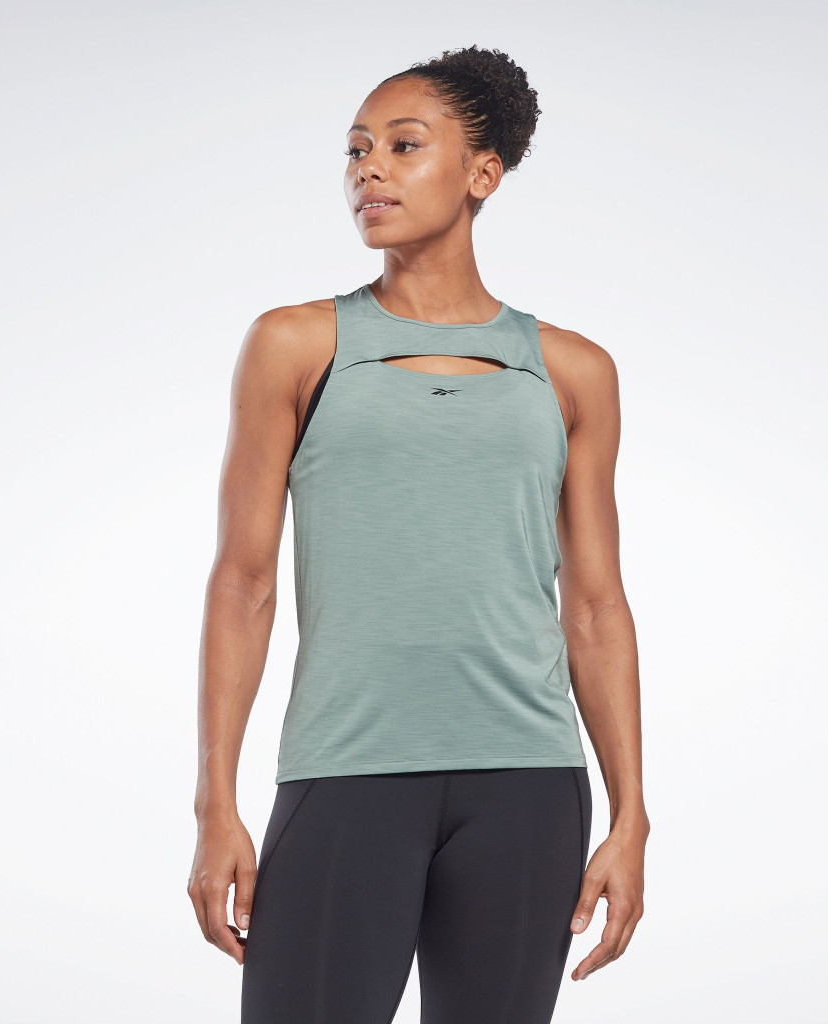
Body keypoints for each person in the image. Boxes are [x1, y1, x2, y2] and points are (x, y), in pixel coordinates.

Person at [188, 44, 650, 1023]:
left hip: (528, 784)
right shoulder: (297, 345)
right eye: (356, 150)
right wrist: (214, 802)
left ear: (483, 172)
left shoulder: (572, 371)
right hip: (344, 771)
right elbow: (243, 582)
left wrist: (631, 814)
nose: (369, 170)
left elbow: (596, 606)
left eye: (403, 146)